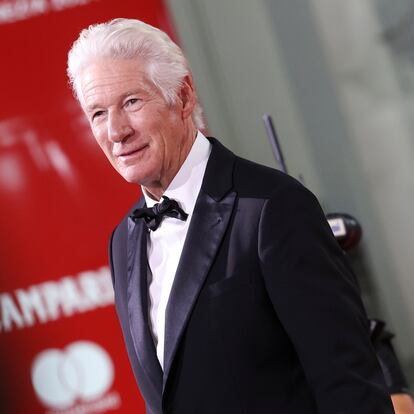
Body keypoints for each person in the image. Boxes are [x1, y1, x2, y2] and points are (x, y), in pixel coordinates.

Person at [67, 18, 395, 414]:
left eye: (131, 102)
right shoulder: (123, 241)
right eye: (98, 113)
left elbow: (350, 387)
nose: (116, 130)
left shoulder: (274, 208)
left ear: (184, 97)